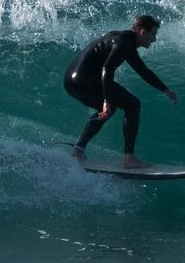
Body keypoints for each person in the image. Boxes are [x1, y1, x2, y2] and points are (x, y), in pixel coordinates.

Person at [66, 14, 177, 166]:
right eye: (153, 34)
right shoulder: (125, 42)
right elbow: (107, 69)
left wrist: (165, 90)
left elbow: (142, 70)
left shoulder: (124, 40)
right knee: (132, 105)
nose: (154, 39)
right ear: (143, 32)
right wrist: (106, 99)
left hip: (72, 80)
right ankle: (129, 158)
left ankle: (78, 151)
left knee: (108, 109)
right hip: (84, 79)